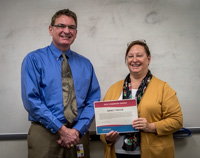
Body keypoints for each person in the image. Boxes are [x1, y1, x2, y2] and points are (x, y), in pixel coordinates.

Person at [21, 9, 100, 158]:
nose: (66, 31)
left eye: (71, 27)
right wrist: (61, 130)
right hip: (45, 133)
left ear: (76, 32)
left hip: (78, 135)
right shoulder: (34, 60)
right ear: (51, 29)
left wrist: (77, 130)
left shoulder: (86, 64)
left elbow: (93, 100)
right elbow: (31, 100)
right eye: (61, 26)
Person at [100, 40, 183, 158]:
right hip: (117, 153)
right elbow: (103, 124)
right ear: (126, 60)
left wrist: (151, 127)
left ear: (148, 59)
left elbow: (177, 121)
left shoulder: (163, 88)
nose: (134, 60)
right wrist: (107, 138)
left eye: (139, 55)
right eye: (130, 56)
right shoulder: (113, 89)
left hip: (153, 153)